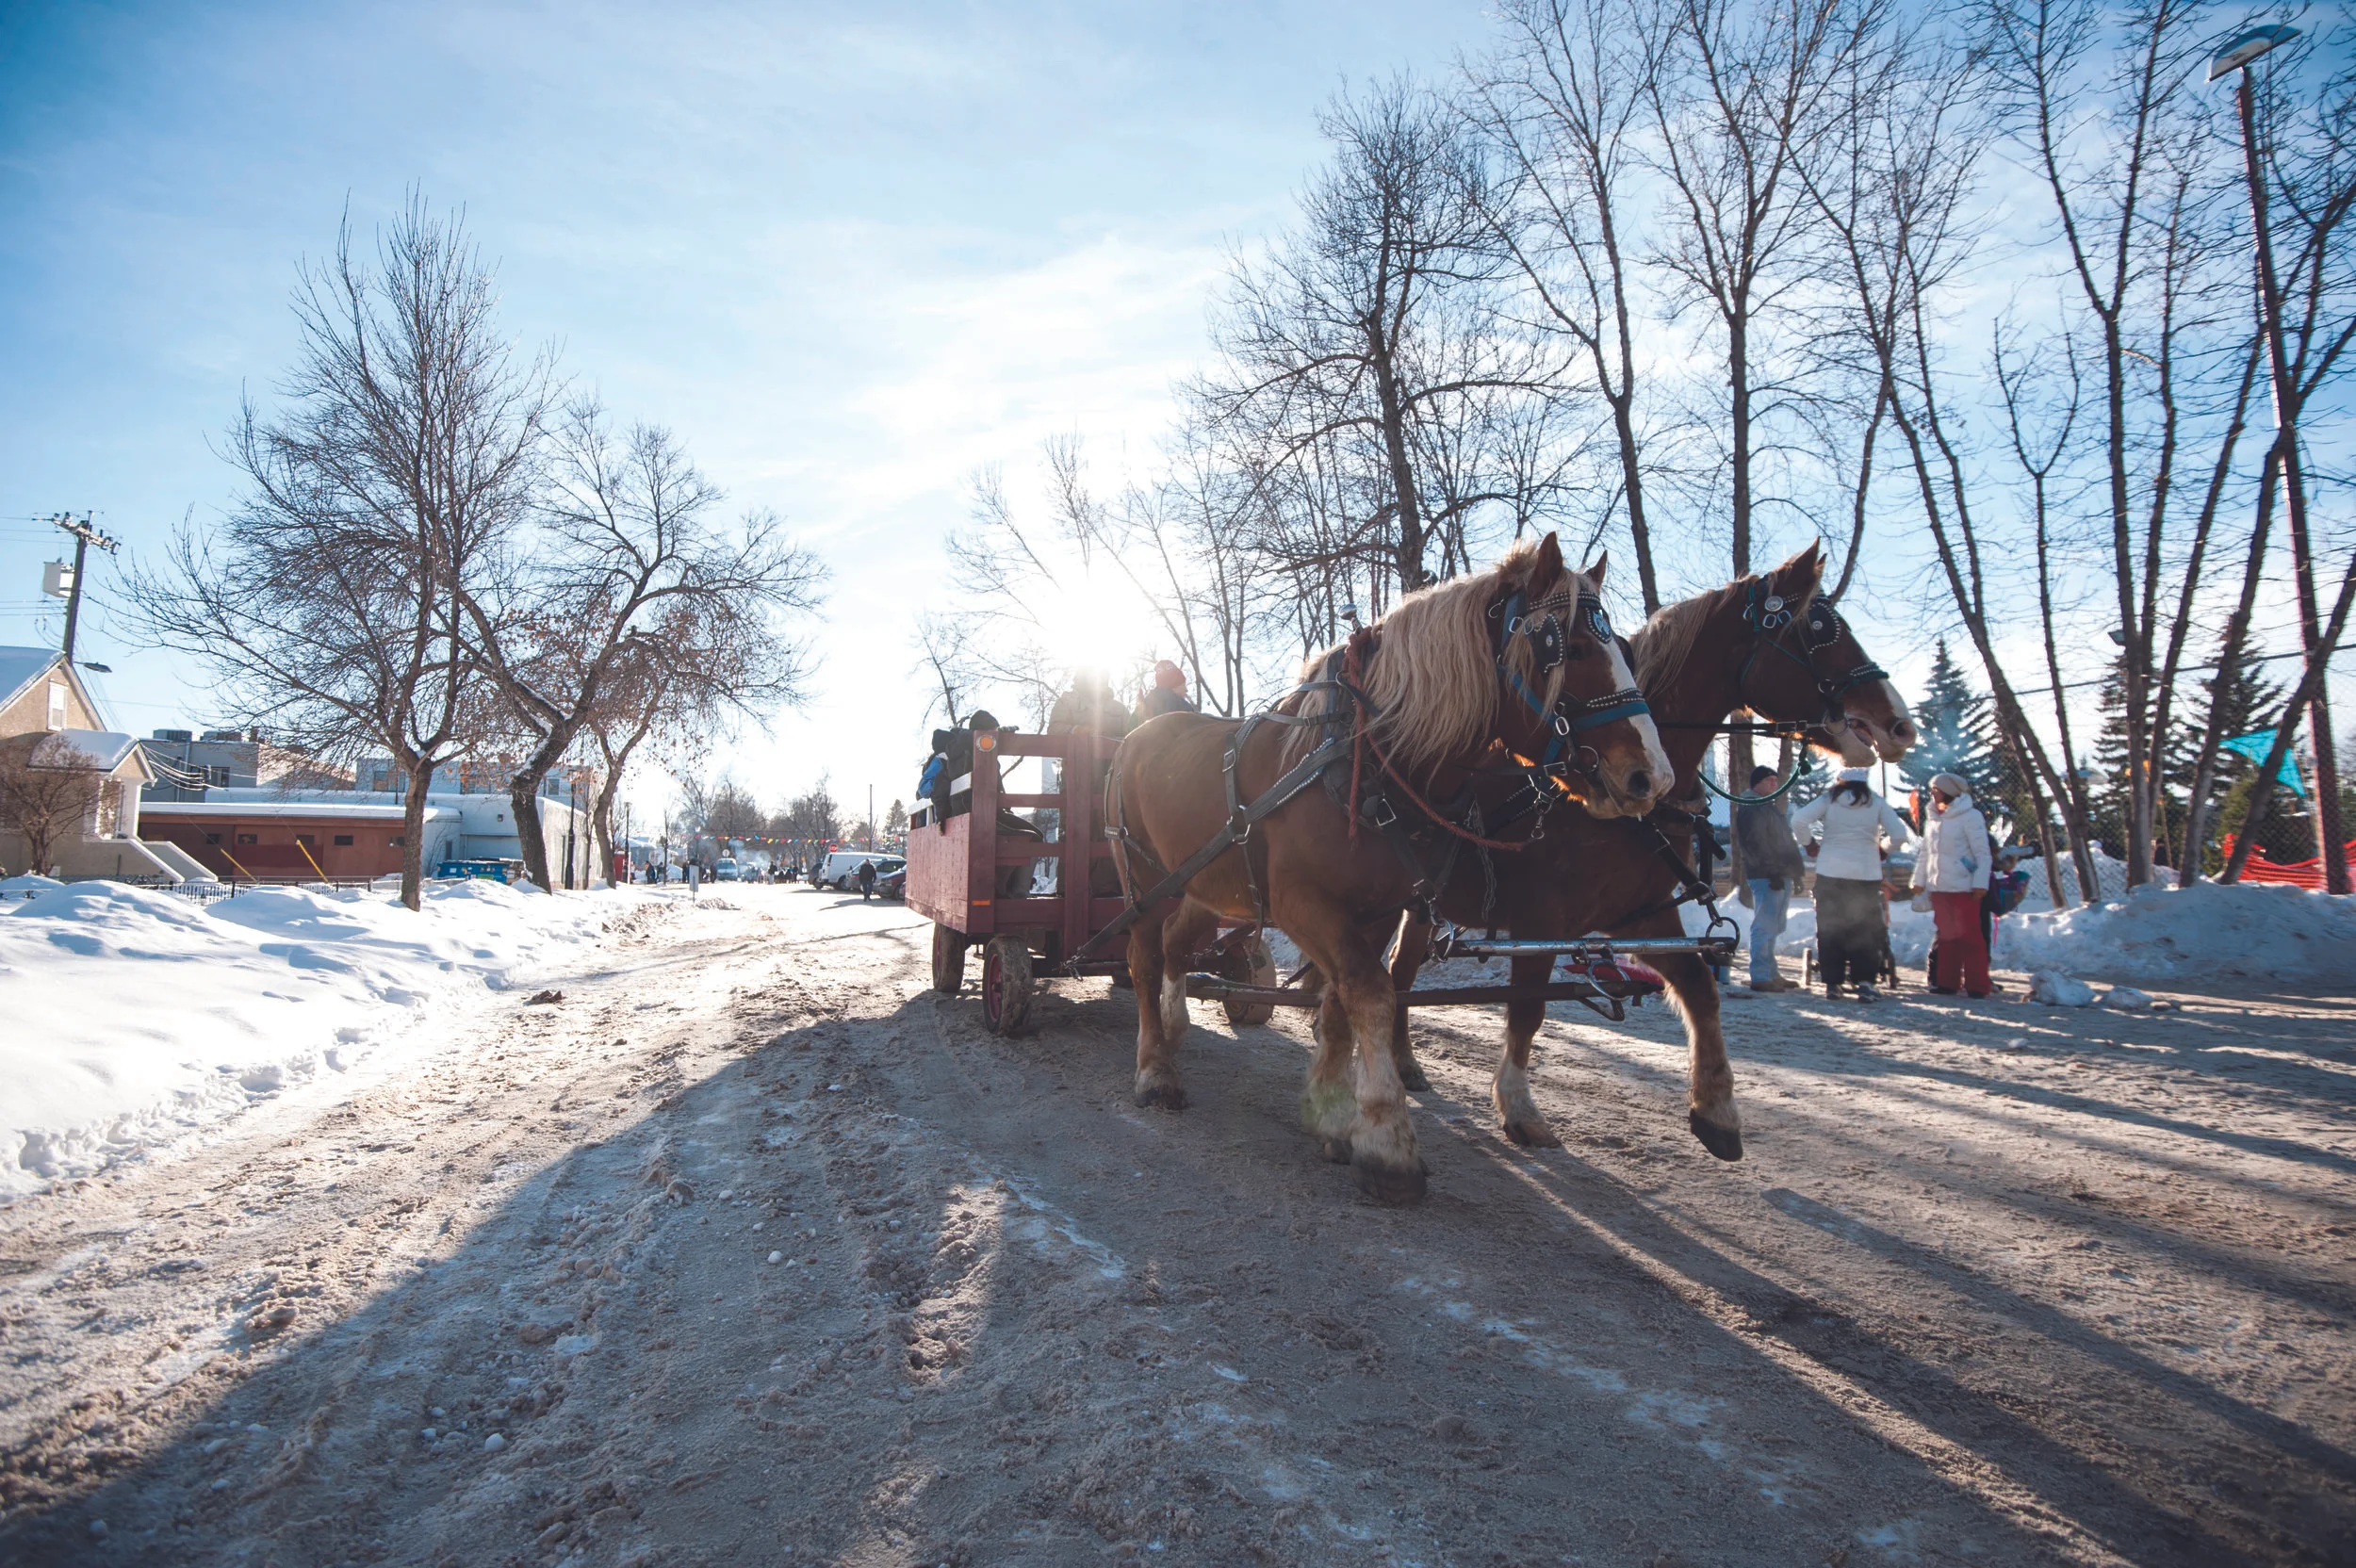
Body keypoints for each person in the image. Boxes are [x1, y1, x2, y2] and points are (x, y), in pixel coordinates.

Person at [1791, 767, 1915, 1002]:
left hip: (1830, 873)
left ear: (1840, 780)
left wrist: (1809, 844)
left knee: (1830, 928)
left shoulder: (1829, 799)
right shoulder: (1876, 802)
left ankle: (1832, 983)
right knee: (1864, 930)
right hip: (1865, 875)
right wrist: (1883, 848)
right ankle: (1865, 983)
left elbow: (1799, 820)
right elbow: (1899, 834)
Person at [1911, 771, 1993, 998]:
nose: (1932, 793)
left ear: (1948, 791)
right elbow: (1926, 852)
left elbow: (1982, 854)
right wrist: (1918, 880)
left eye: (1935, 789)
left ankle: (1977, 985)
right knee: (1947, 936)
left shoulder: (1971, 816)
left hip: (1964, 887)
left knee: (1970, 936)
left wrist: (1980, 884)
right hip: (1940, 886)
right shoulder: (1934, 818)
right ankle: (1947, 983)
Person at [1732, 765, 1808, 992]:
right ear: (1757, 784)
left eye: (1776, 780)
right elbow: (1755, 844)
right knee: (1765, 925)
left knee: (1773, 925)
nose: (1775, 784)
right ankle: (1760, 974)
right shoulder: (1752, 807)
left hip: (1778, 873)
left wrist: (1795, 872)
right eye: (1769, 780)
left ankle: (1770, 972)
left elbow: (1784, 841)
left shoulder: (1768, 806)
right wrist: (1772, 870)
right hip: (1766, 875)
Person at [1135, 660, 1199, 723]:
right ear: (1174, 685)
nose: (1186, 690)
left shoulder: (1142, 707)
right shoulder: (1183, 708)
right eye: (1183, 684)